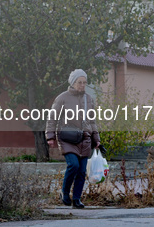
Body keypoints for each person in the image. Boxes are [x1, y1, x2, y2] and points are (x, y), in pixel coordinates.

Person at [45, 69, 101, 209]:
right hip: (68, 138)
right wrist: (50, 136)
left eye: (84, 82)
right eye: (79, 82)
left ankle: (76, 199)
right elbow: (52, 117)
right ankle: (64, 193)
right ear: (73, 82)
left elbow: (92, 121)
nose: (82, 85)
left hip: (85, 139)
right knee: (73, 165)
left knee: (82, 171)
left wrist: (96, 138)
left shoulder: (89, 99)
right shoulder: (62, 98)